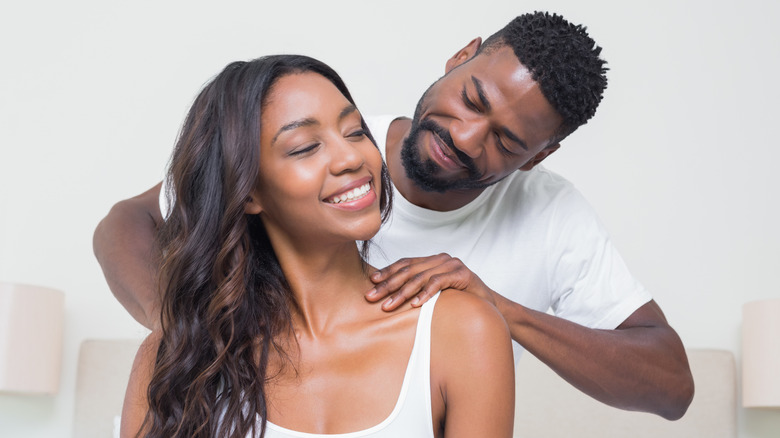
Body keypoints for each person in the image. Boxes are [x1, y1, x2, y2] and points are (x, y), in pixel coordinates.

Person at [96, 12, 693, 422]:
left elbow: (670, 385)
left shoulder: (546, 225)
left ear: (540, 156)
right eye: (471, 99)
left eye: (506, 142)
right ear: (462, 56)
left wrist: (501, 310)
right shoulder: (340, 146)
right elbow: (129, 223)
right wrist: (189, 341)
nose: (463, 136)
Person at [120, 55, 514, 438]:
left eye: (355, 131)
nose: (351, 157)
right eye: (306, 146)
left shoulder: (463, 330)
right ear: (249, 193)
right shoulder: (175, 358)